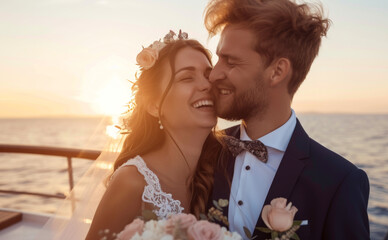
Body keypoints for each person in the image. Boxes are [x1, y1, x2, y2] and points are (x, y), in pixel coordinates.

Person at [204, 0, 370, 239]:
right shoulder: (205, 150)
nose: (214, 74)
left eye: (230, 62)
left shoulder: (339, 181)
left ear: (277, 71)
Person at [83, 31, 223, 239]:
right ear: (154, 105)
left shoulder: (226, 168)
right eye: (187, 77)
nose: (206, 85)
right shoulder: (133, 182)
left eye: (208, 75)